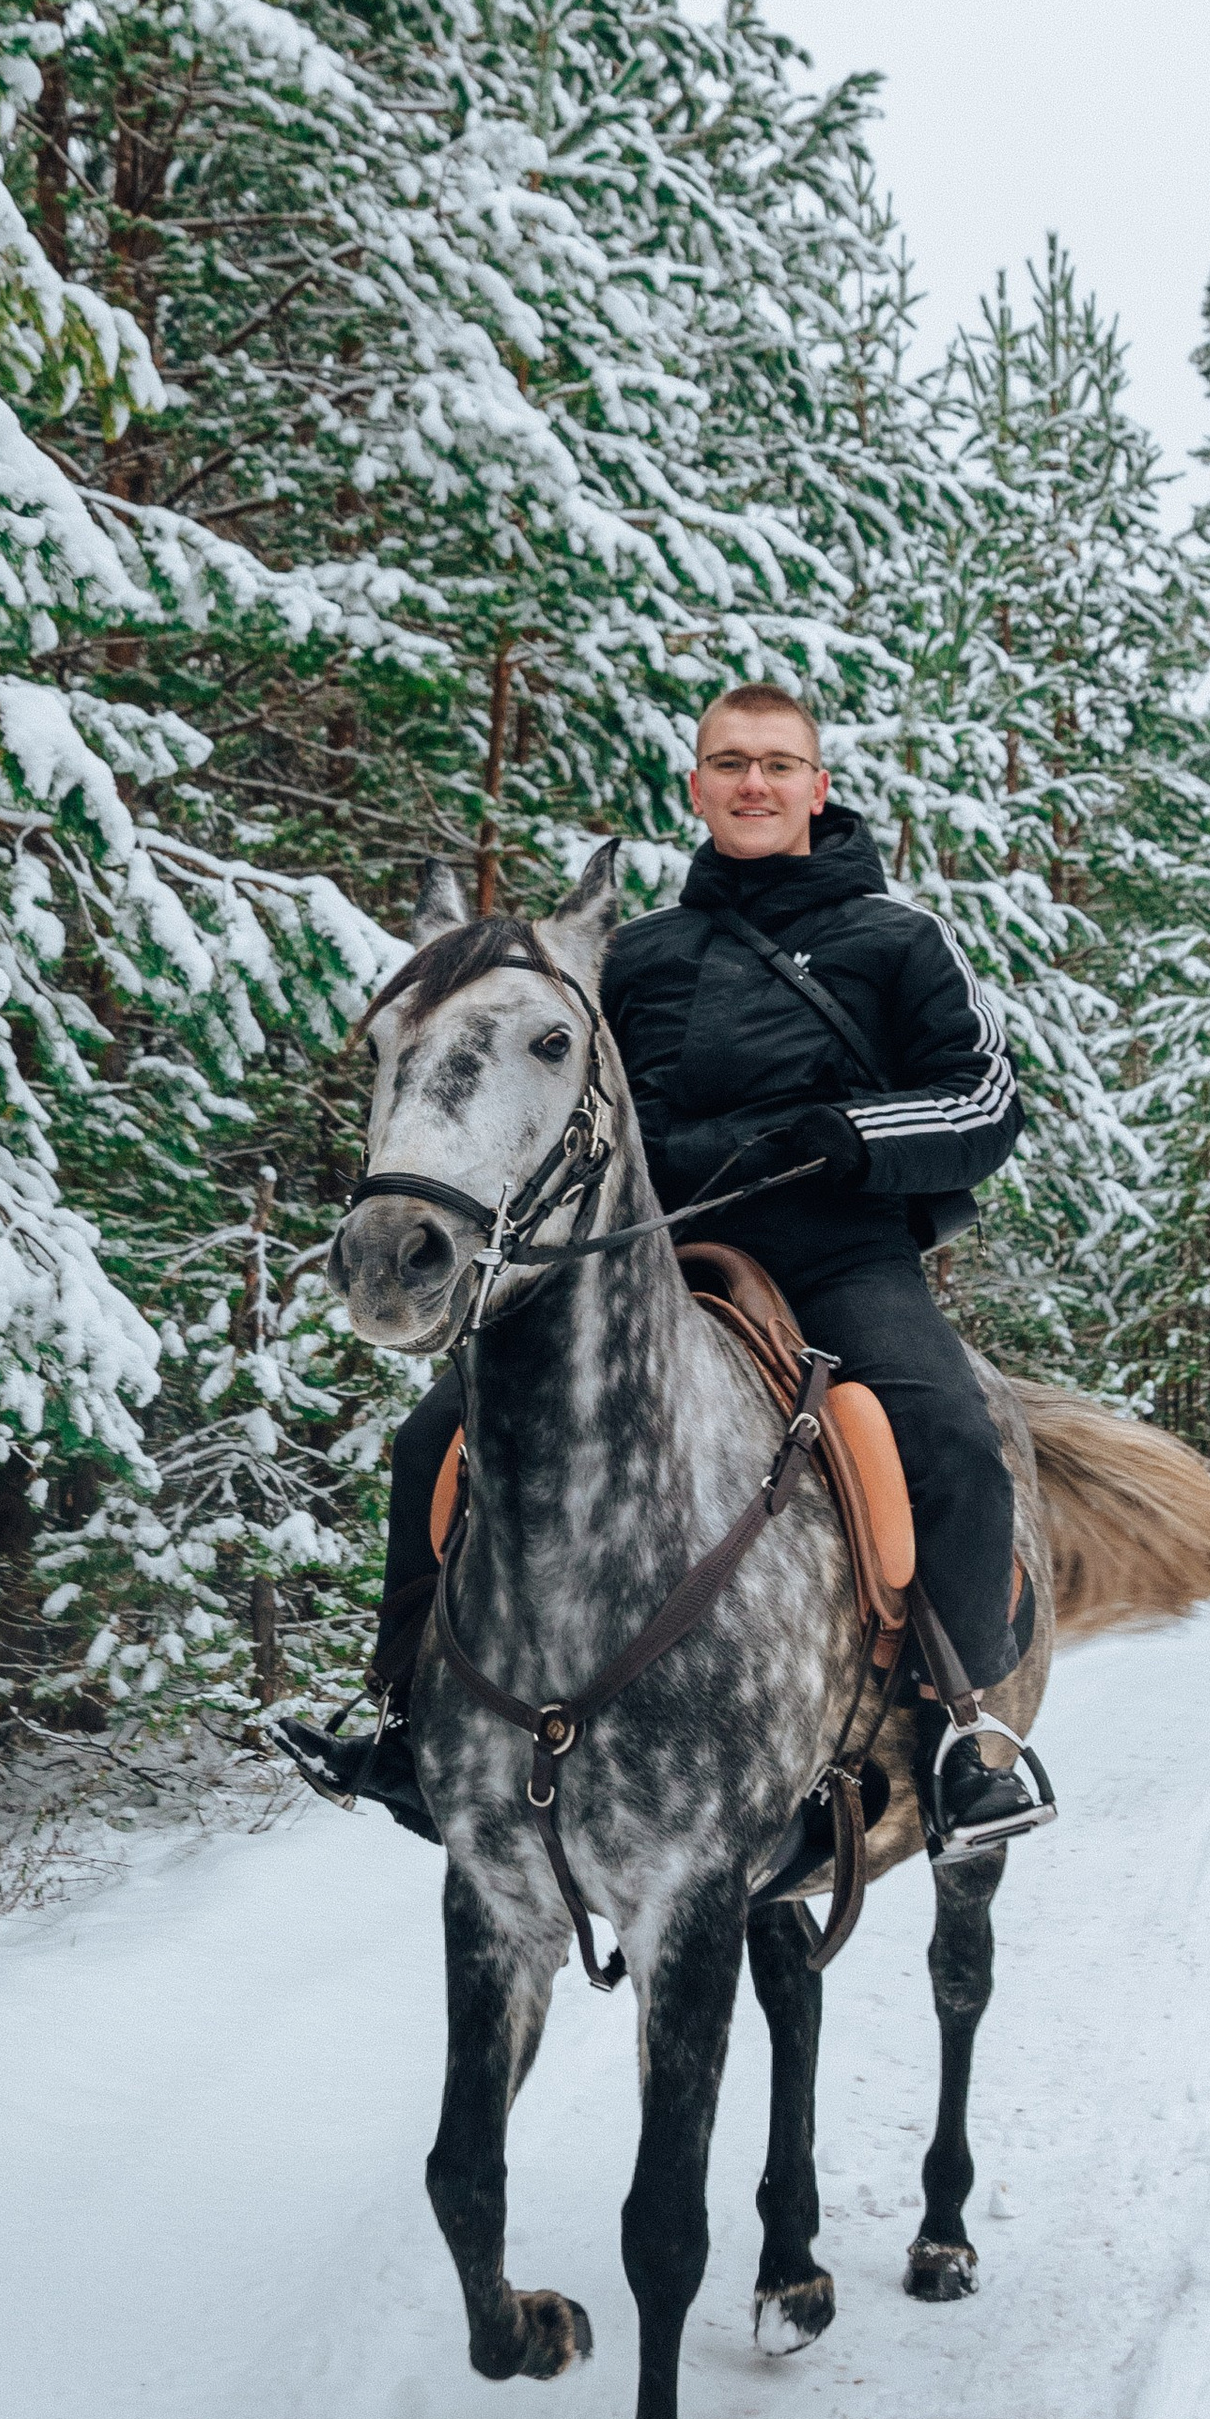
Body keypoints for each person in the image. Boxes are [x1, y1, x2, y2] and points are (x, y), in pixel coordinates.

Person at [280, 683, 1051, 1856]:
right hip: (641, 1254)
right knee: (434, 1435)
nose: (755, 783)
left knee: (945, 1434)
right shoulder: (630, 955)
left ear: (817, 787)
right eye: (730, 762)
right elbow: (554, 1102)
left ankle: (964, 1732)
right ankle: (401, 1717)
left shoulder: (900, 941)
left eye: (779, 764)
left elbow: (985, 1099)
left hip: (836, 1250)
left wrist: (849, 1136)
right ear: (696, 787)